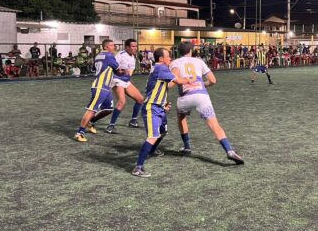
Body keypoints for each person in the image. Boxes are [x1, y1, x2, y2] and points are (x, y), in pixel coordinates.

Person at [170, 42, 244, 164]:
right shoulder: (199, 61)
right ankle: (229, 150)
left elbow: (174, 79)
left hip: (185, 97)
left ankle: (187, 146)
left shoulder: (175, 62)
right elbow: (213, 80)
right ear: (191, 51)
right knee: (214, 124)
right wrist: (202, 85)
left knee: (181, 118)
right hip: (201, 96)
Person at [131, 48, 192, 177]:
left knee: (162, 132)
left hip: (159, 107)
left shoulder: (160, 69)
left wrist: (163, 103)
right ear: (161, 59)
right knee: (153, 136)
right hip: (151, 108)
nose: (170, 59)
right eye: (168, 56)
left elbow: (166, 86)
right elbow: (179, 81)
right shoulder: (161, 68)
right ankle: (138, 167)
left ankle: (151, 151)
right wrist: (191, 78)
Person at [74, 39, 120, 142]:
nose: (114, 47)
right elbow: (118, 68)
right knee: (92, 109)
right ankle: (79, 133)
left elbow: (95, 69)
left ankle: (90, 122)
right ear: (105, 47)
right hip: (100, 86)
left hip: (105, 87)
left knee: (109, 108)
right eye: (112, 45)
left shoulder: (98, 55)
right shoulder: (109, 56)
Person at [96, 39, 145, 134]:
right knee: (122, 102)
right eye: (133, 46)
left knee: (140, 99)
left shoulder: (133, 57)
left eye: (136, 46)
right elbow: (112, 67)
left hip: (125, 81)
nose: (135, 48)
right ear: (127, 47)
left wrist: (127, 77)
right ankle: (111, 126)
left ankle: (133, 121)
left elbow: (130, 71)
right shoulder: (120, 55)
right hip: (117, 80)